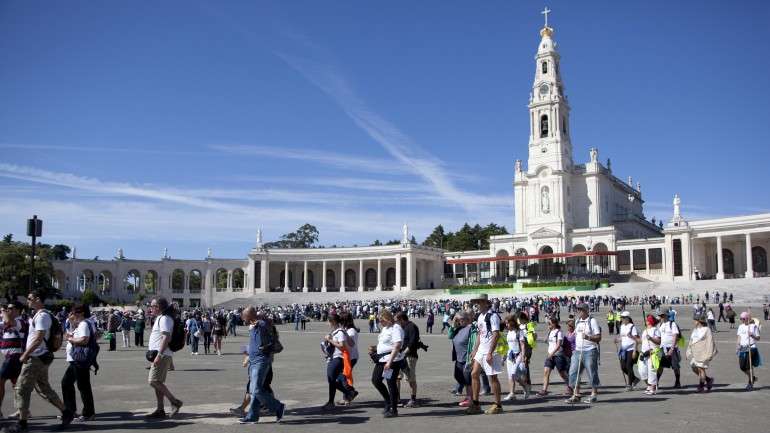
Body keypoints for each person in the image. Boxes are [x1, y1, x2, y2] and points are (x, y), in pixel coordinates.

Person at [14, 290, 69, 431]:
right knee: (44, 388)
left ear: (37, 299)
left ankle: (22, 424)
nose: (27, 300)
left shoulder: (43, 316)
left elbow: (39, 338)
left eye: (29, 298)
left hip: (36, 357)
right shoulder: (39, 315)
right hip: (41, 356)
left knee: (22, 389)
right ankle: (66, 412)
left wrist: (26, 354)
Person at [239, 307, 285, 424]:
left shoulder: (261, 324)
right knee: (254, 390)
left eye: (244, 316)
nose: (242, 318)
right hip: (254, 360)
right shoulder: (253, 326)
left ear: (250, 315)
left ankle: (278, 406)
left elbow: (268, 331)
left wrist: (260, 322)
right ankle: (252, 416)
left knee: (256, 389)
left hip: (261, 361)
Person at [146, 297, 183, 419]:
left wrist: (159, 355)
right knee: (158, 382)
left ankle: (174, 402)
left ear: (158, 307)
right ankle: (160, 409)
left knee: (153, 381)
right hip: (160, 354)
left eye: (152, 306)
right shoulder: (162, 318)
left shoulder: (165, 319)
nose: (150, 308)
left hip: (162, 354)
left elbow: (166, 337)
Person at [465, 294, 503, 415]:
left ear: (487, 303)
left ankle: (498, 405)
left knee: (493, 377)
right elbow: (479, 334)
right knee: (474, 373)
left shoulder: (493, 316)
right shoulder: (480, 316)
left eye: (480, 302)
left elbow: (496, 334)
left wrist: (490, 353)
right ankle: (476, 404)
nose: (478, 304)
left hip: (491, 350)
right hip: (481, 350)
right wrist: (475, 349)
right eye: (477, 302)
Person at [61, 304, 96, 423]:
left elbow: (84, 339)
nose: (72, 315)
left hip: (80, 359)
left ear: (81, 313)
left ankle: (88, 413)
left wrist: (71, 340)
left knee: (83, 386)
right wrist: (71, 332)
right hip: (77, 359)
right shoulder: (81, 324)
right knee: (68, 383)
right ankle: (71, 411)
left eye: (74, 312)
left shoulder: (83, 324)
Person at [370, 309, 405, 418]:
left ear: (388, 318)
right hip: (382, 359)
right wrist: (376, 350)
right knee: (376, 380)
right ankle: (388, 401)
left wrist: (389, 362)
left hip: (392, 360)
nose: (380, 322)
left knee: (391, 383)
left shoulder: (396, 328)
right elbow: (385, 343)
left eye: (382, 320)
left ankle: (393, 409)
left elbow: (397, 345)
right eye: (379, 320)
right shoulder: (385, 328)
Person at [565, 303, 601, 404]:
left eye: (581, 310)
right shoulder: (577, 322)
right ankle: (576, 394)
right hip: (577, 351)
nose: (579, 312)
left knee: (591, 372)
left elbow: (599, 337)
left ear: (586, 310)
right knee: (573, 372)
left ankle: (594, 394)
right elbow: (574, 334)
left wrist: (588, 337)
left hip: (590, 350)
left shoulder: (592, 321)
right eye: (578, 310)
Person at [320, 313, 351, 411]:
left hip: (338, 358)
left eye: (328, 321)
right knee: (333, 380)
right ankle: (332, 401)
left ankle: (347, 393)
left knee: (331, 380)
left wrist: (330, 340)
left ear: (332, 321)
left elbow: (342, 346)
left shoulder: (340, 332)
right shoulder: (336, 331)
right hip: (335, 357)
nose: (327, 323)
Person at [0, 303, 25, 419]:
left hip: (13, 357)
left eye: (10, 308)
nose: (8, 311)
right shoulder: (7, 322)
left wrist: (2, 310)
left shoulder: (20, 321)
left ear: (18, 311)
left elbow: (8, 321)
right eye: (7, 309)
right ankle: (23, 410)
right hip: (10, 358)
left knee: (1, 381)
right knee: (16, 386)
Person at [538, 317, 570, 396]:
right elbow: (546, 340)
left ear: (554, 323)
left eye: (550, 323)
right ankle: (544, 390)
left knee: (562, 373)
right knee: (546, 372)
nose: (548, 324)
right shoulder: (551, 331)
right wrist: (549, 331)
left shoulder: (559, 332)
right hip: (550, 355)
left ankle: (570, 386)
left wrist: (552, 353)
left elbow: (559, 345)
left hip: (558, 355)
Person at [396, 311, 421, 408]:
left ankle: (413, 399)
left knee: (410, 378)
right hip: (400, 356)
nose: (396, 323)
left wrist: (403, 354)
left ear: (401, 319)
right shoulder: (402, 327)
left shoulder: (412, 327)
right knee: (397, 377)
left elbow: (412, 342)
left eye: (397, 321)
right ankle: (397, 398)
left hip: (410, 356)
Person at [686, 314, 716, 392]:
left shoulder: (706, 329)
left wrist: (709, 353)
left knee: (701, 369)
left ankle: (701, 386)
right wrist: (688, 351)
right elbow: (691, 341)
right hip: (695, 353)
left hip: (703, 352)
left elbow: (710, 341)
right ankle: (708, 380)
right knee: (694, 367)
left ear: (699, 321)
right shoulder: (694, 330)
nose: (694, 321)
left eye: (695, 320)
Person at [502, 315, 528, 401]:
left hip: (518, 355)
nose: (506, 325)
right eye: (505, 323)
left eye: (507, 323)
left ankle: (524, 386)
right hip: (510, 355)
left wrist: (523, 356)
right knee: (511, 376)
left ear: (512, 322)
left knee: (513, 374)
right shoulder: (508, 333)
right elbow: (507, 346)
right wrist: (504, 357)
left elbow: (522, 345)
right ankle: (512, 393)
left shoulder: (519, 332)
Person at [450, 312, 473, 407]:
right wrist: (453, 324)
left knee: (468, 379)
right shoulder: (458, 329)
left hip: (467, 358)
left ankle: (470, 398)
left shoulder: (471, 329)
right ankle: (469, 396)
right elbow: (450, 336)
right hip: (458, 358)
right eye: (459, 320)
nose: (460, 321)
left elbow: (474, 342)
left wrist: (471, 358)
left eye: (462, 320)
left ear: (468, 319)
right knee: (458, 376)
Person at [615, 311, 640, 391]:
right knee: (623, 367)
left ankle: (629, 385)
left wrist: (634, 351)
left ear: (627, 318)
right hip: (623, 349)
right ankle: (635, 379)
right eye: (621, 318)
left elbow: (636, 339)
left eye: (623, 318)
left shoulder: (632, 327)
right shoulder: (622, 326)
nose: (621, 319)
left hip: (631, 348)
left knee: (629, 366)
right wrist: (618, 340)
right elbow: (623, 337)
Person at [656, 310, 682, 388]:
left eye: (663, 315)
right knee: (659, 366)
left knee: (675, 366)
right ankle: (656, 382)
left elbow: (675, 336)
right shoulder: (660, 325)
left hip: (671, 348)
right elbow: (659, 337)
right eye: (660, 316)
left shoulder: (672, 324)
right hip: (662, 348)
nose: (661, 317)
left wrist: (672, 348)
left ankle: (677, 382)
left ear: (667, 315)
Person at [736, 312, 761, 390]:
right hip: (742, 348)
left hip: (751, 348)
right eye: (741, 319)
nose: (742, 320)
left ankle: (750, 383)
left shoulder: (753, 326)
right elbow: (739, 337)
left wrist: (752, 335)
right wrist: (737, 346)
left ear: (747, 318)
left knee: (749, 366)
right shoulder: (740, 326)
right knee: (742, 366)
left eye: (743, 319)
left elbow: (758, 338)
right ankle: (752, 377)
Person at [639, 315, 662, 395]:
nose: (646, 321)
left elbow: (659, 341)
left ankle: (652, 387)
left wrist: (651, 338)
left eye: (647, 320)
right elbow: (642, 341)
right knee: (642, 371)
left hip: (652, 352)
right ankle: (649, 385)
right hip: (643, 353)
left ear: (650, 321)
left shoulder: (655, 330)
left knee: (651, 371)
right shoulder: (645, 331)